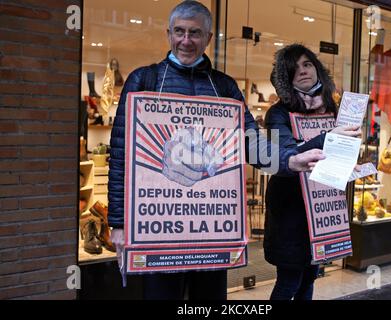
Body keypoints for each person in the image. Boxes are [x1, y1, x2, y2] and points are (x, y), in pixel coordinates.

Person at [108, 2, 358, 300]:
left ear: (209, 38)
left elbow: (252, 142)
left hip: (211, 228)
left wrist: (289, 159)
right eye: (179, 32)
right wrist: (118, 223)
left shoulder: (224, 87)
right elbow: (121, 156)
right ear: (169, 34)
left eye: (195, 33)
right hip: (160, 229)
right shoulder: (143, 80)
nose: (186, 40)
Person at [263, 43, 361, 300]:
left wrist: (351, 162)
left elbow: (338, 154)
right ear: (286, 78)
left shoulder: (331, 108)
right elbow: (283, 157)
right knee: (289, 281)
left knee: (309, 279)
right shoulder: (278, 113)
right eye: (294, 68)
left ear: (318, 69)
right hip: (291, 211)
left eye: (308, 64)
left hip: (323, 207)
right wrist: (328, 137)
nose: (303, 71)